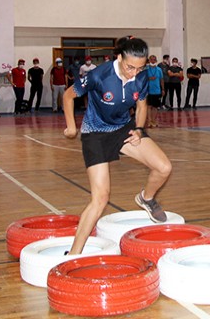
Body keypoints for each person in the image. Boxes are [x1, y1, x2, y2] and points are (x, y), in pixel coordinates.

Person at [63, 36, 172, 255]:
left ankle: (146, 198)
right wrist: (71, 128)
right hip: (95, 133)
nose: (134, 73)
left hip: (123, 129)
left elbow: (142, 107)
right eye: (130, 67)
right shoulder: (98, 75)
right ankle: (73, 254)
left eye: (139, 69)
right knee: (100, 198)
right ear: (119, 57)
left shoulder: (141, 77)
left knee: (164, 167)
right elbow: (68, 96)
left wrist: (139, 130)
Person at [145, 55, 164, 127]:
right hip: (148, 90)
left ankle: (154, 120)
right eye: (151, 60)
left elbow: (161, 80)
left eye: (154, 60)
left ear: (156, 61)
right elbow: (142, 79)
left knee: (155, 107)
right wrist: (148, 78)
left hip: (157, 90)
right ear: (149, 60)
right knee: (149, 106)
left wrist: (163, 89)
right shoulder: (146, 69)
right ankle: (149, 121)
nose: (153, 61)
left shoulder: (159, 69)